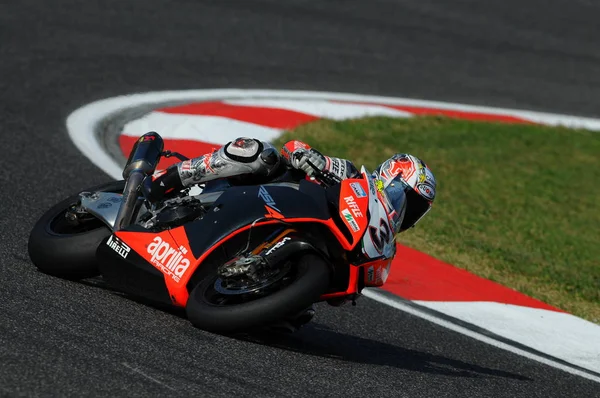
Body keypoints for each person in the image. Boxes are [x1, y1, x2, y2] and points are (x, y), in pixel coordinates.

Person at [144, 137, 436, 235]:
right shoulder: (347, 173)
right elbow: (292, 148)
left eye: (417, 210)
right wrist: (307, 158)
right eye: (409, 199)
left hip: (273, 230)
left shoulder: (376, 238)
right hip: (259, 196)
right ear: (390, 178)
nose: (409, 211)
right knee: (259, 153)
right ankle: (163, 182)